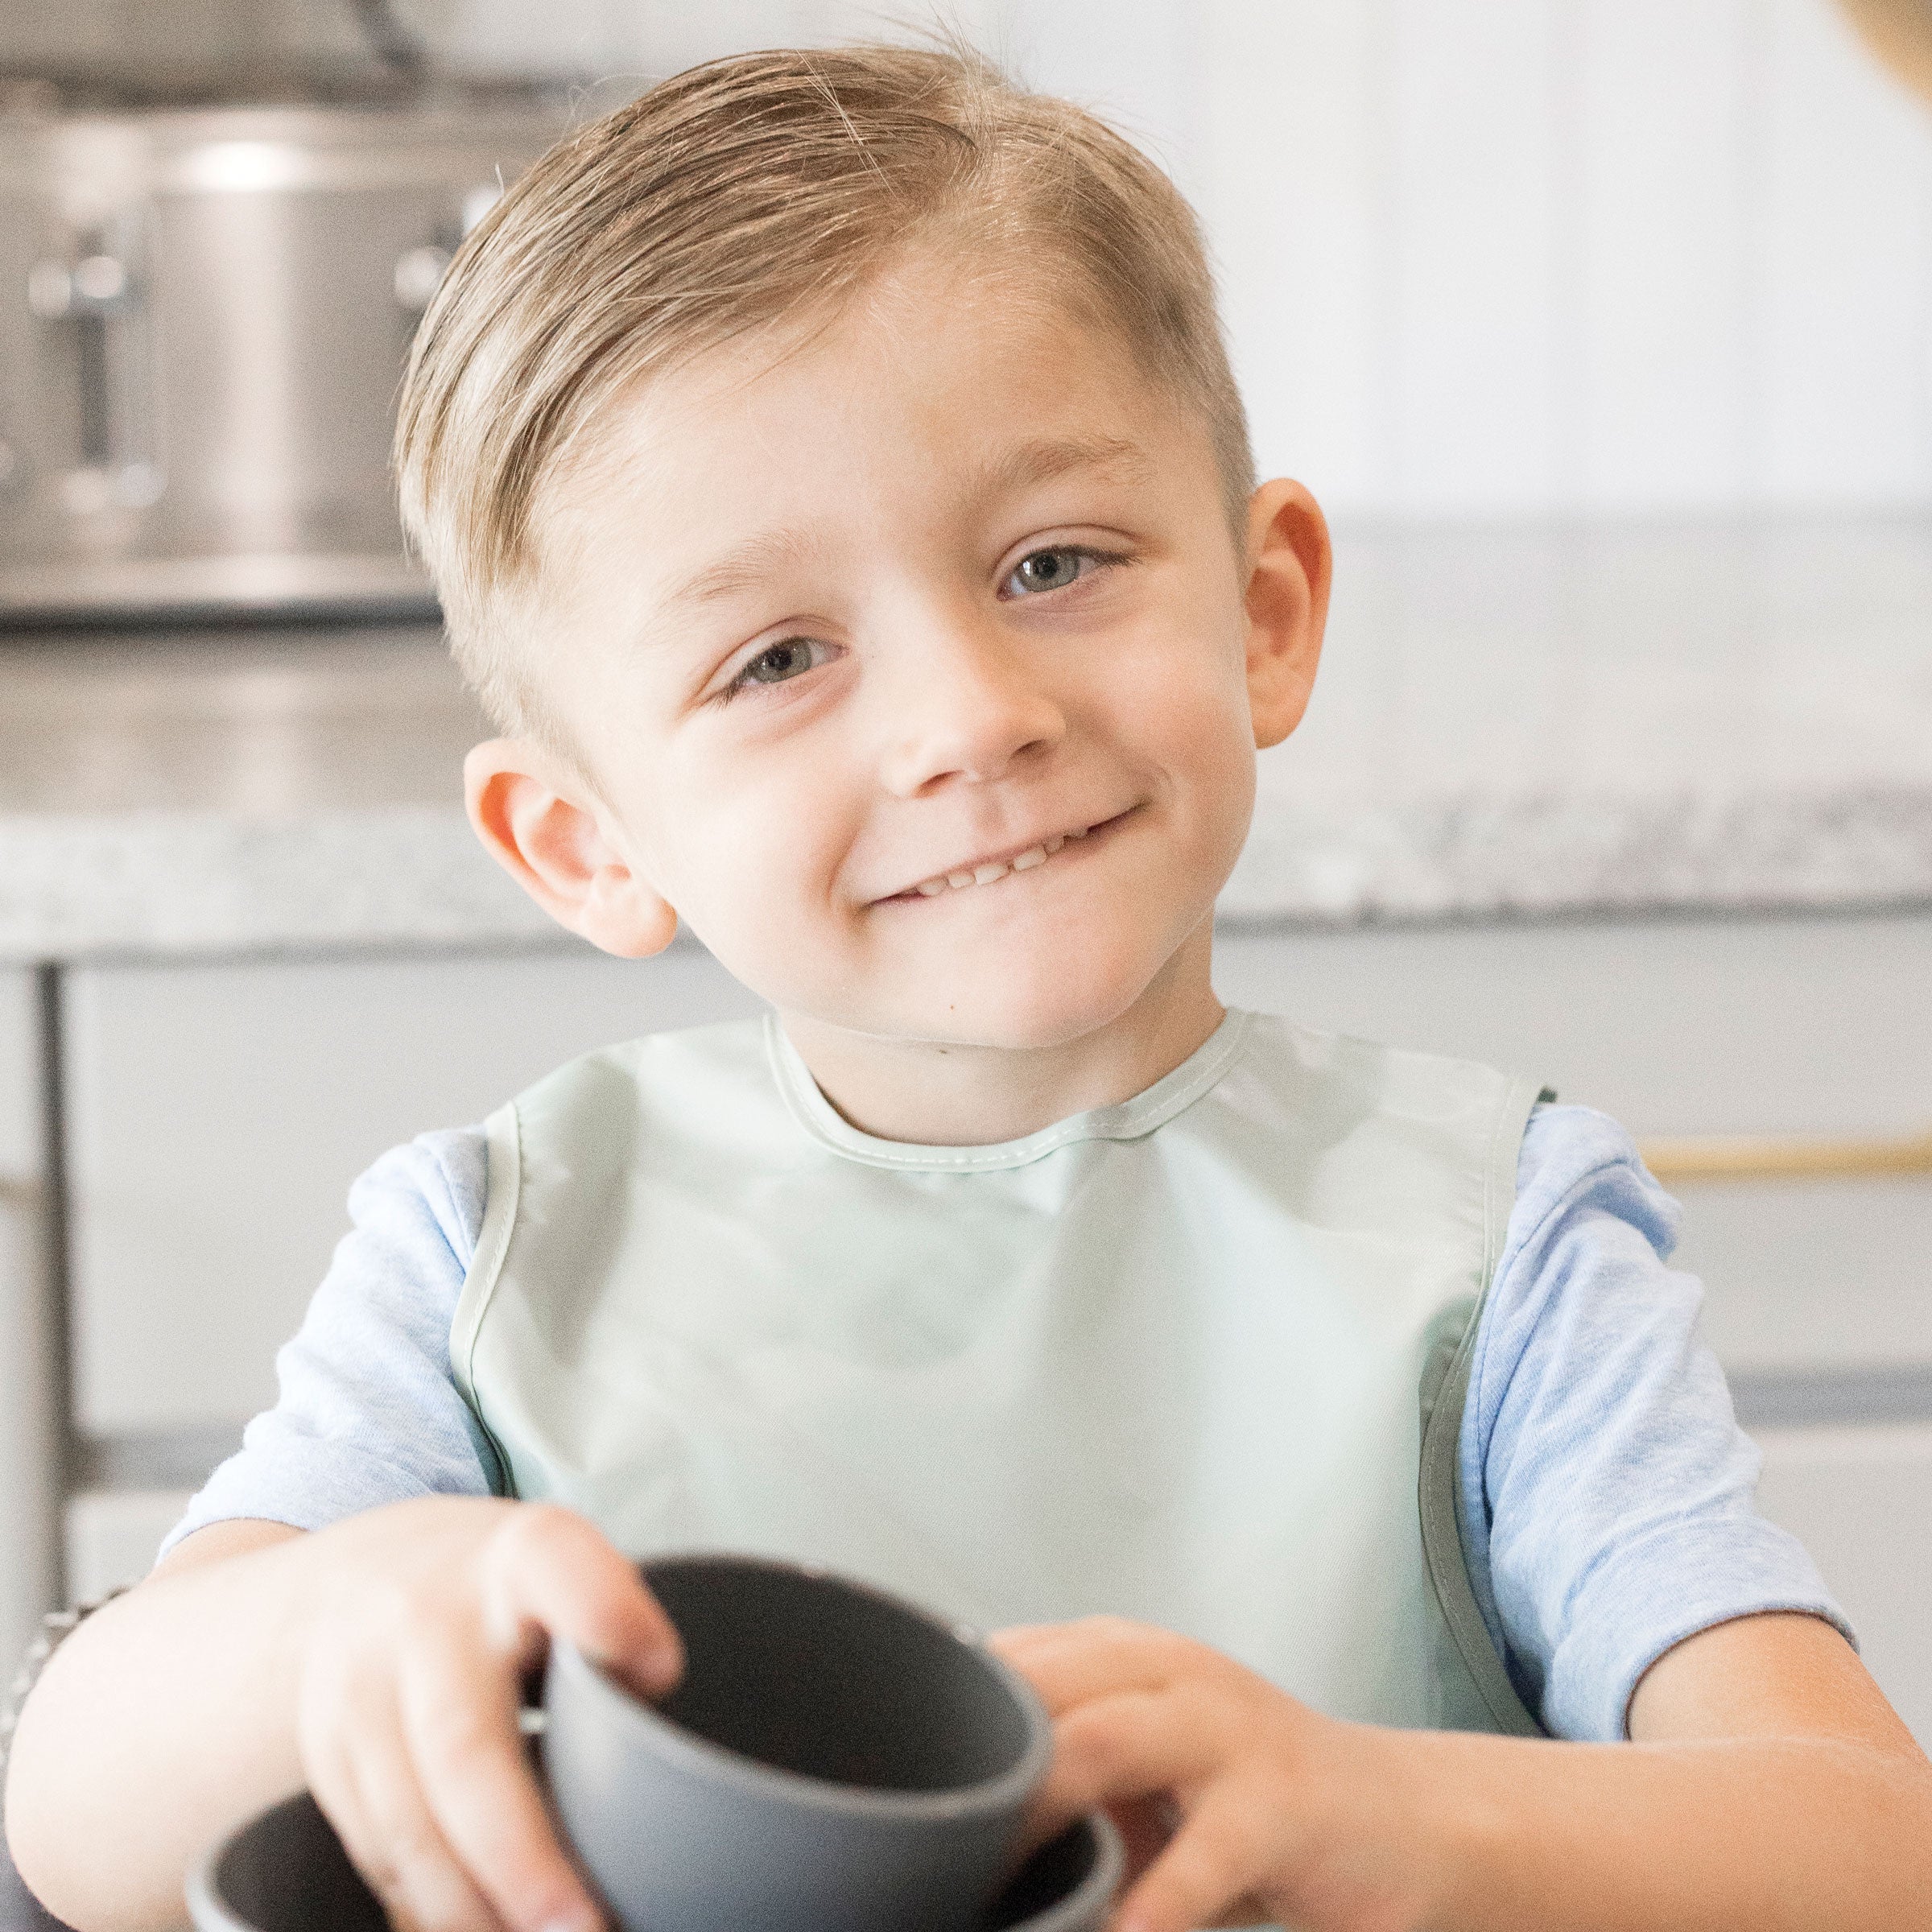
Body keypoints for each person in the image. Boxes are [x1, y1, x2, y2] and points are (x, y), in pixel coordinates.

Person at [7, 40, 1930, 1932]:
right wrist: (328, 1625)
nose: (971, 719)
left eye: (1052, 563)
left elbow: (1870, 1848)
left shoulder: (1501, 1247)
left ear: (1264, 612)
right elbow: (74, 1818)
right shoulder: (489, 1257)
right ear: (585, 842)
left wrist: (1388, 1808)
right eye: (776, 659)